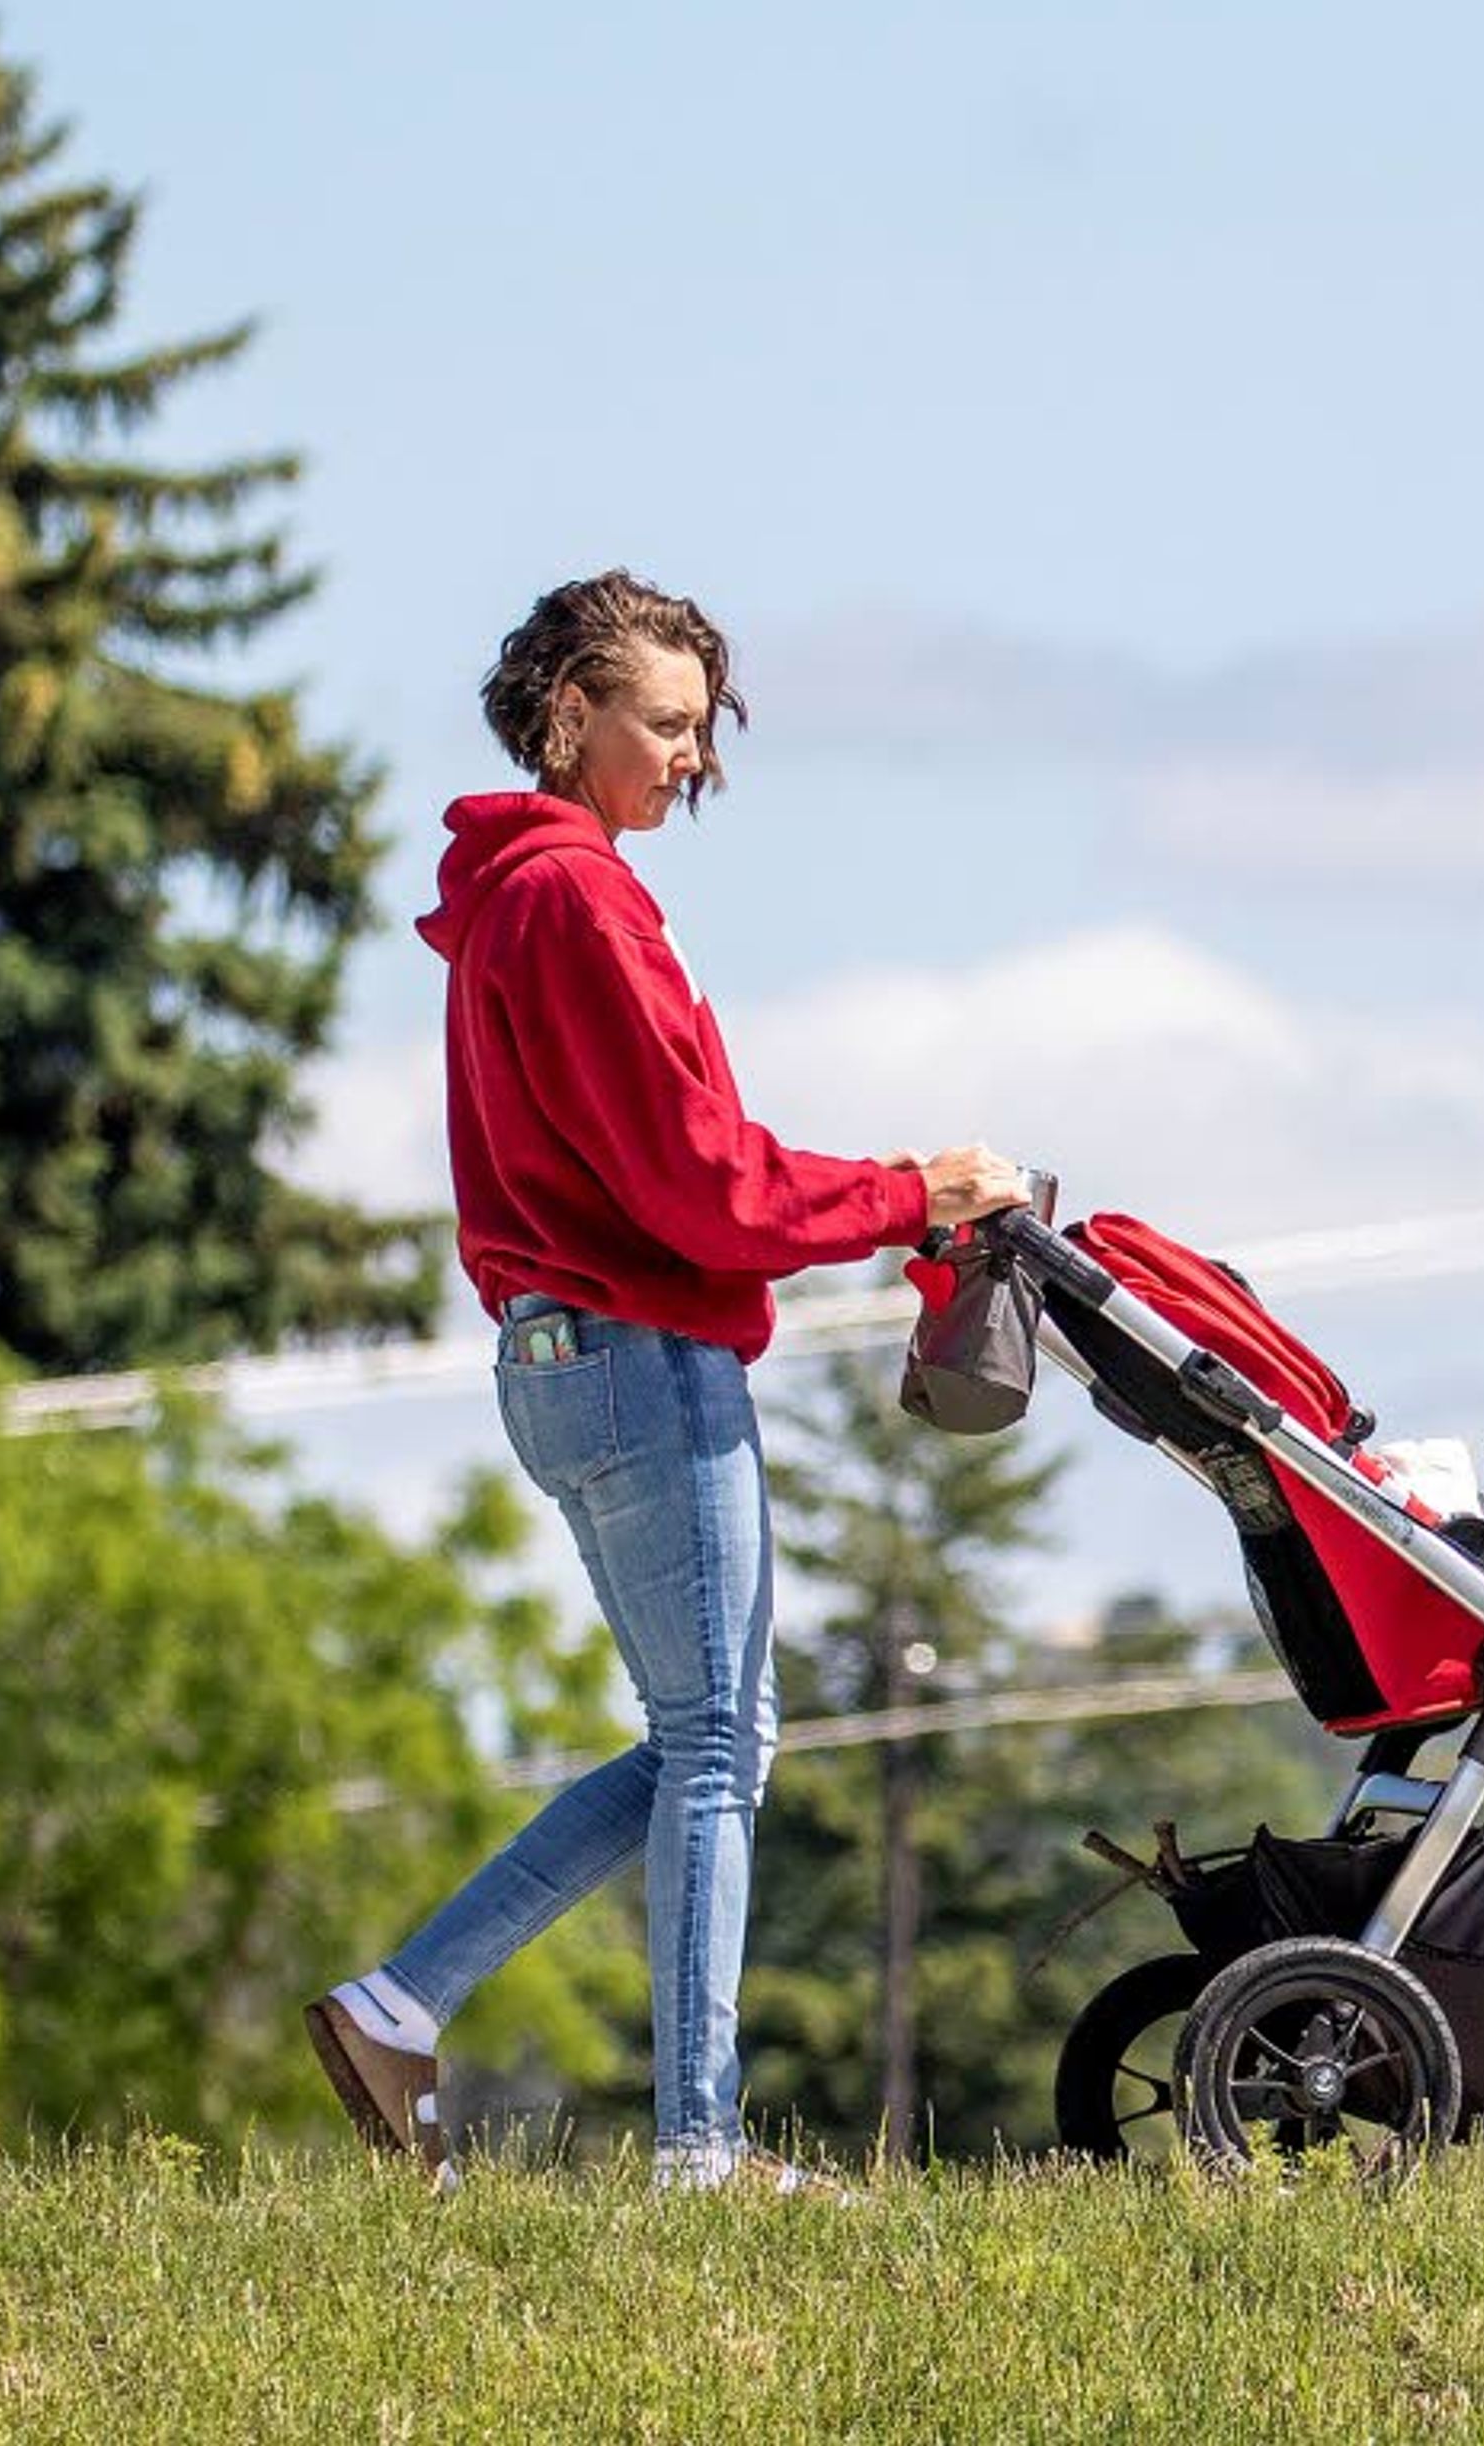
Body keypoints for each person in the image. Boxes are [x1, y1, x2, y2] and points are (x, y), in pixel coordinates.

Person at [303, 570, 1025, 2190]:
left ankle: (397, 2000)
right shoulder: (577, 901)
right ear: (568, 712)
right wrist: (912, 1189)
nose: (692, 759)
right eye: (666, 723)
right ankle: (698, 2146)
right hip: (637, 1348)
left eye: (705, 731)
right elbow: (703, 1183)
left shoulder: (523, 894)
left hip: (571, 1351)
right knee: (715, 1741)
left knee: (710, 1730)